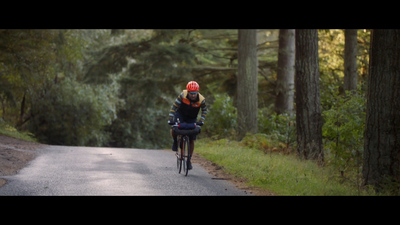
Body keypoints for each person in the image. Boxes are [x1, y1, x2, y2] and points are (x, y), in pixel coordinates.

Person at [168, 81, 207, 170]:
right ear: (188, 92)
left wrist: (202, 120)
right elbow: (174, 107)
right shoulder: (182, 95)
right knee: (174, 127)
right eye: (191, 93)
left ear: (197, 92)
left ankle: (189, 160)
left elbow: (204, 111)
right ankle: (175, 141)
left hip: (192, 118)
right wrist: (171, 118)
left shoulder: (201, 100)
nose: (193, 95)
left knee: (191, 139)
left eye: (194, 93)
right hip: (180, 115)